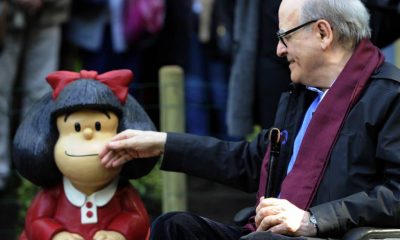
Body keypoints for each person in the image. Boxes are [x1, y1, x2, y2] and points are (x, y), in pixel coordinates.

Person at [100, 0, 400, 239]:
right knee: (174, 227)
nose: (279, 50)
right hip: (269, 233)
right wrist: (164, 144)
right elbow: (254, 162)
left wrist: (313, 220)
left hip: (332, 234)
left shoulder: (389, 96)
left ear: (323, 33)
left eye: (285, 36)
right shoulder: (302, 95)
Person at [13, 70, 158, 239]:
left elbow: (137, 218)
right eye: (76, 128)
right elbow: (36, 221)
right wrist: (56, 234)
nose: (88, 134)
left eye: (99, 127)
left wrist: (118, 232)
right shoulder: (54, 192)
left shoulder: (122, 192)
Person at [0, 0, 70, 191]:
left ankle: (34, 171)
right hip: (6, 14)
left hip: (50, 13)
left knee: (42, 95)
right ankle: (2, 175)